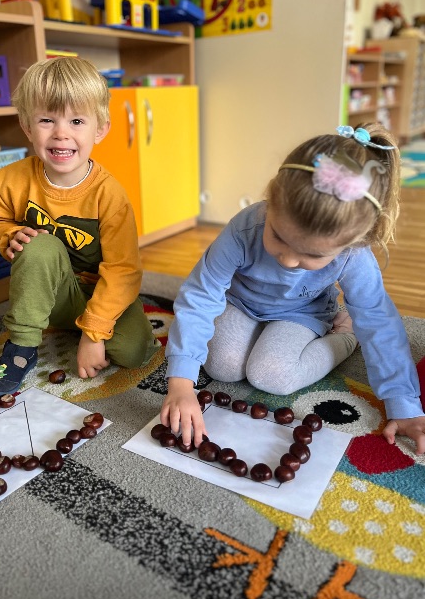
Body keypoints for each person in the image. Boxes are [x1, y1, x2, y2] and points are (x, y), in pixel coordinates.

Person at [161, 123, 425, 454]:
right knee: (222, 366)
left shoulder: (354, 254)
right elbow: (201, 295)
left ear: (352, 243)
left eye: (311, 255)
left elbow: (378, 321)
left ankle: (345, 336)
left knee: (271, 374)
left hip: (302, 312)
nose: (287, 260)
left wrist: (403, 404)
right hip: (240, 303)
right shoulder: (244, 228)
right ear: (270, 199)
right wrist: (181, 382)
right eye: (278, 237)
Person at [0, 56, 157, 396]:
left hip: (99, 292)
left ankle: (82, 325)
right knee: (39, 245)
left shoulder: (110, 195)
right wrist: (10, 235)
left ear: (100, 129)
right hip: (51, 295)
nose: (61, 133)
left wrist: (93, 333)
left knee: (134, 352)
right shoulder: (6, 181)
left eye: (77, 121)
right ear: (27, 127)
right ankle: (21, 346)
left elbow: (123, 269)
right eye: (47, 120)